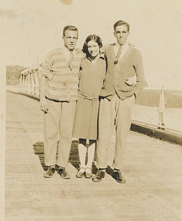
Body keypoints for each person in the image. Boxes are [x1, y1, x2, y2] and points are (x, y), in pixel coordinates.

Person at [94, 20, 146, 183]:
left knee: (122, 133)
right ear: (114, 33)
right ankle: (101, 168)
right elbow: (92, 56)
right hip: (108, 96)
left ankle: (117, 169)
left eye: (124, 32)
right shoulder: (107, 49)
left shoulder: (136, 53)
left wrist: (134, 93)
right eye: (118, 32)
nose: (121, 35)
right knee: (103, 131)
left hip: (126, 97)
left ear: (128, 34)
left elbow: (142, 80)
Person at [40, 25, 83, 179]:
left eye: (74, 37)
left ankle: (62, 166)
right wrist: (42, 98)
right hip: (52, 99)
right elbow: (43, 74)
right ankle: (50, 165)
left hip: (70, 100)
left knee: (66, 134)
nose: (71, 40)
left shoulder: (81, 55)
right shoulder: (53, 54)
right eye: (69, 37)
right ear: (63, 38)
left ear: (77, 39)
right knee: (51, 133)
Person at [73, 35, 106, 178]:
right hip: (83, 100)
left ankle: (88, 167)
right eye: (90, 46)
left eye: (95, 46)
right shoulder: (82, 61)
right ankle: (81, 166)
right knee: (81, 135)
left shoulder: (105, 62)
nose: (92, 49)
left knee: (93, 137)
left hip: (97, 102)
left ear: (99, 47)